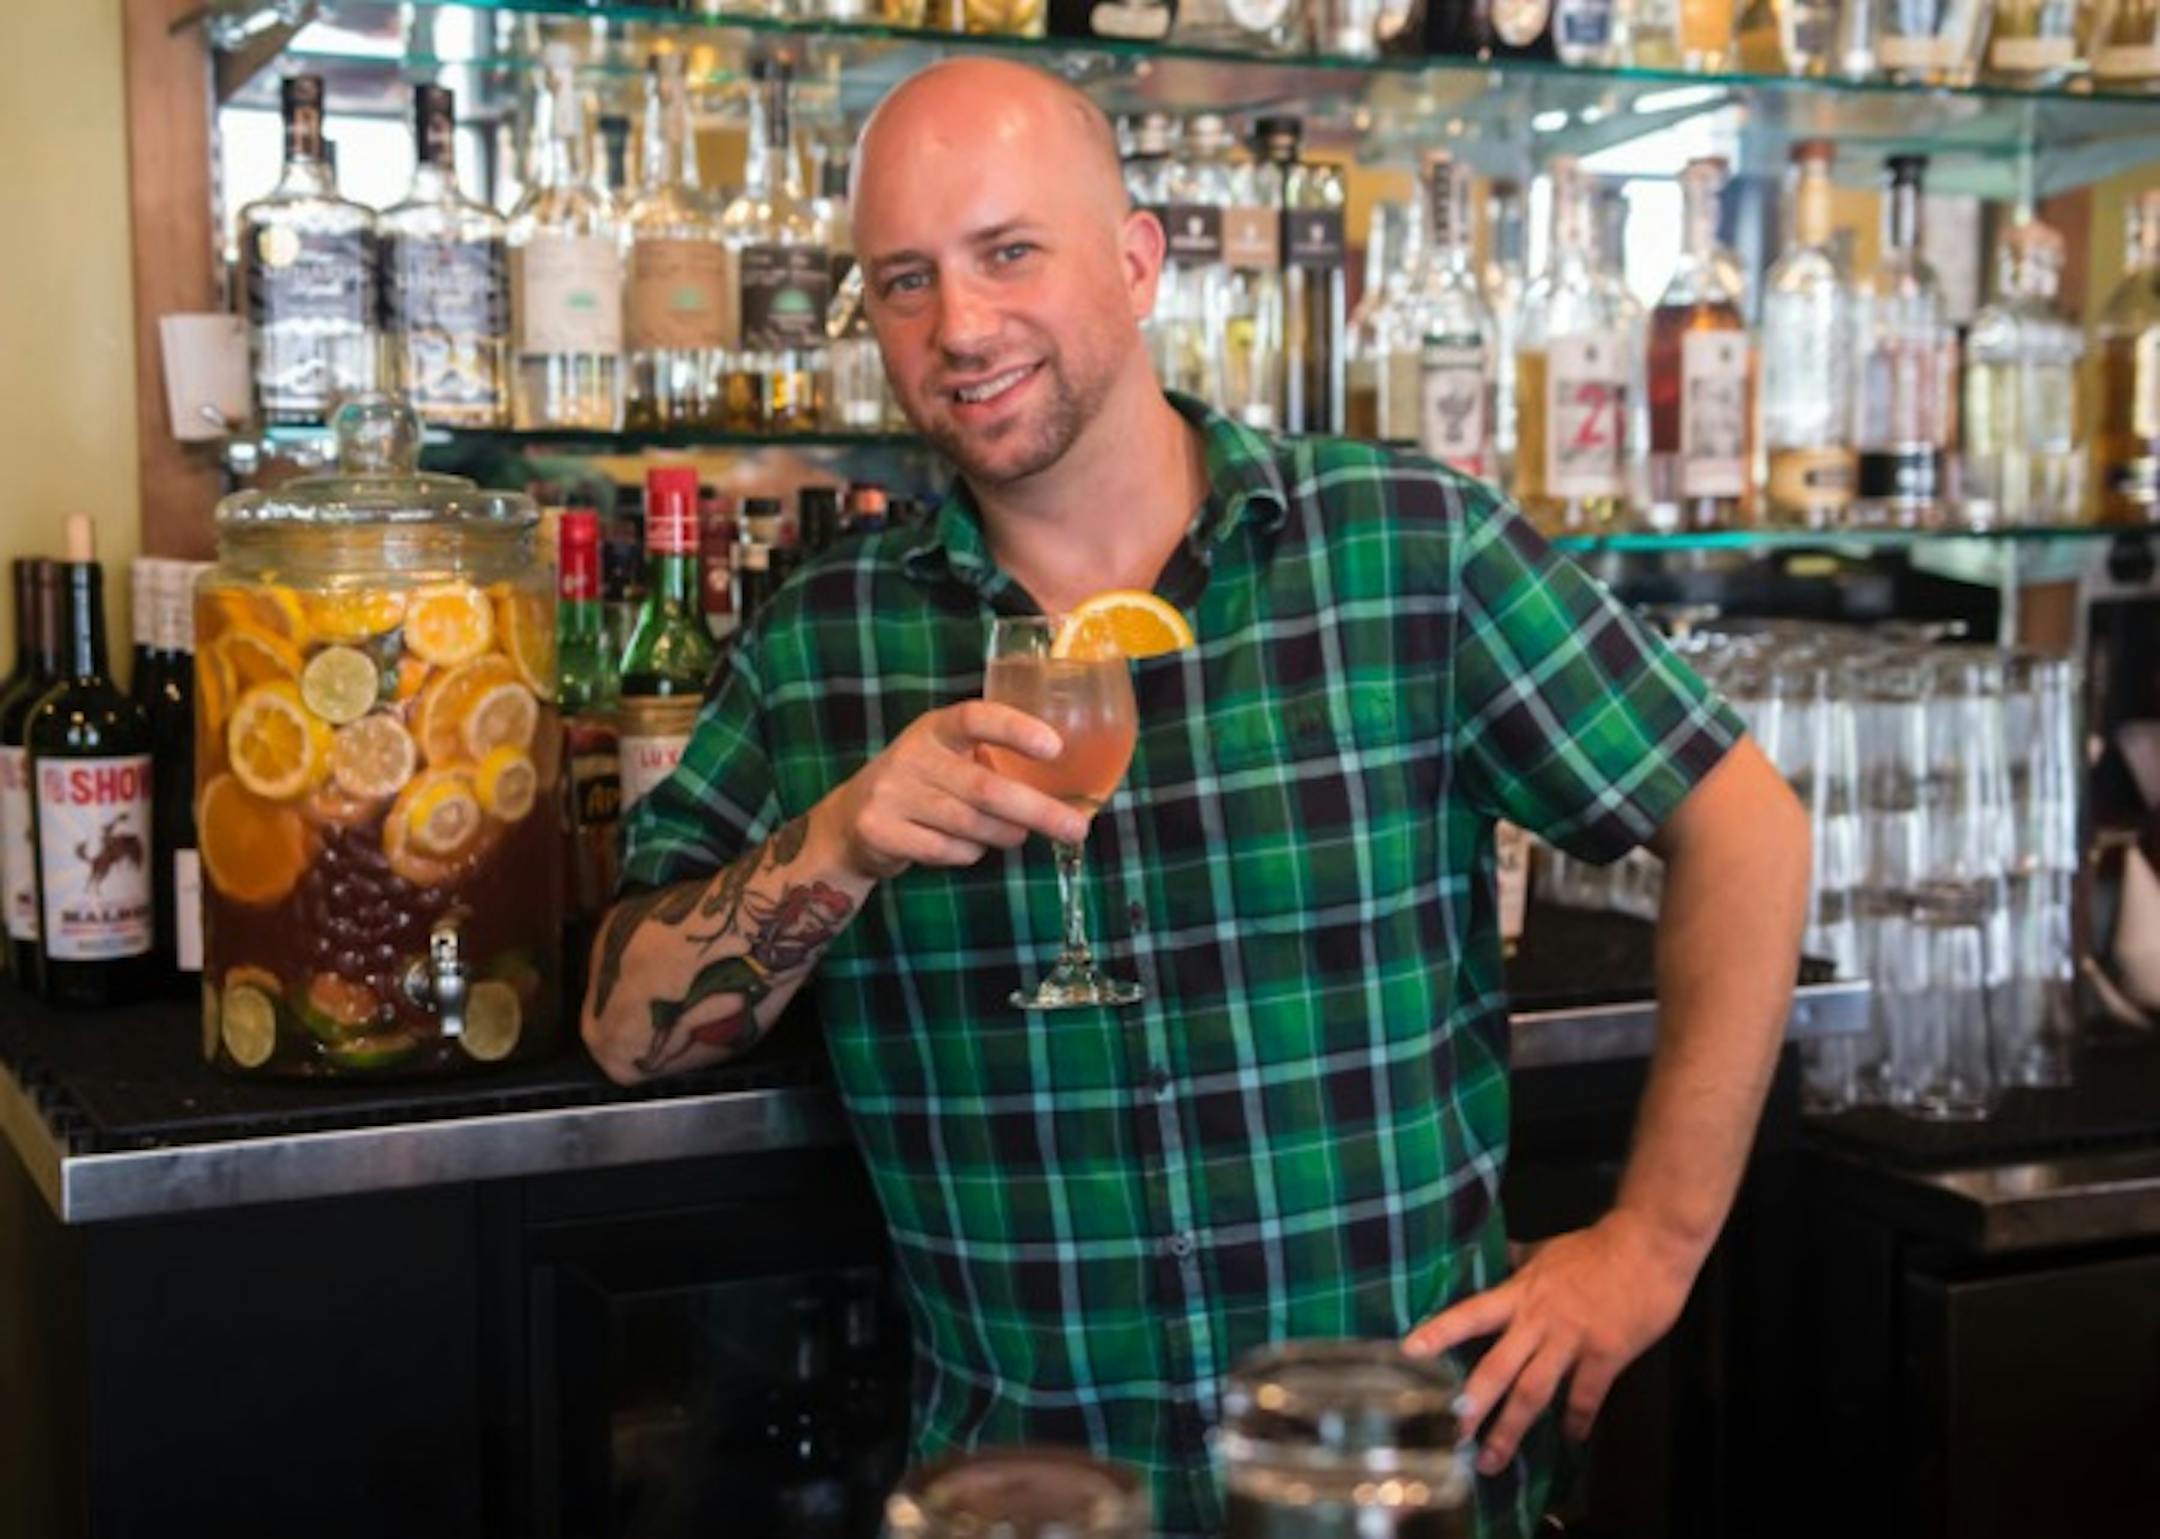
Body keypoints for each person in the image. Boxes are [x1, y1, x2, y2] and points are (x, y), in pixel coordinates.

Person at [583, 56, 1811, 1539]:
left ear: (1138, 260)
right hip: (1038, 1504)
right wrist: (835, 844)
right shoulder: (822, 646)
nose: (961, 328)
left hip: (1393, 1491)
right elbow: (624, 1027)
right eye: (905, 282)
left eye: (1009, 253)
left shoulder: (1403, 545)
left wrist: (1652, 1245)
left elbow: (1742, 821)